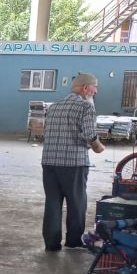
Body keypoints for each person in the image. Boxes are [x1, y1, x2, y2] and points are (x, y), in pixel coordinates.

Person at [42, 72, 105, 252]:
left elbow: (48, 133)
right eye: (95, 87)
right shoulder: (86, 107)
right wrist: (97, 146)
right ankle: (73, 240)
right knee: (77, 202)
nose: (96, 91)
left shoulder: (54, 107)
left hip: (49, 162)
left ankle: (52, 244)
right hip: (73, 163)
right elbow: (89, 134)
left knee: (53, 203)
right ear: (85, 88)